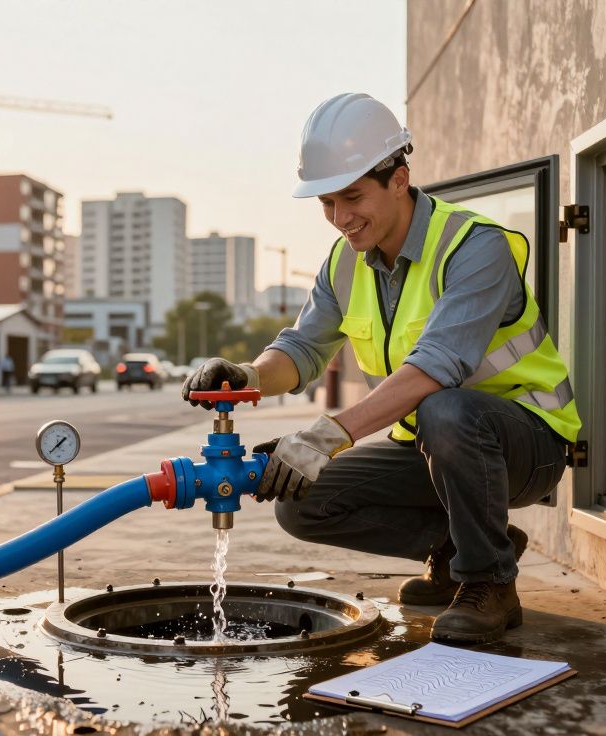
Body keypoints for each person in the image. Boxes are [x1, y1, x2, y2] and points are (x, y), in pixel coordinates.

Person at [182, 93, 580, 643]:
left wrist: (325, 436)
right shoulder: (345, 261)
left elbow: (435, 368)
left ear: (399, 178)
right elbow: (302, 349)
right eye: (326, 202)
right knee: (303, 502)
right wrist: (247, 376)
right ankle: (465, 548)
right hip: (431, 445)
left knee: (446, 407)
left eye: (352, 196)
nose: (341, 218)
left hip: (526, 446)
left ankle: (489, 581)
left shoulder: (475, 247)